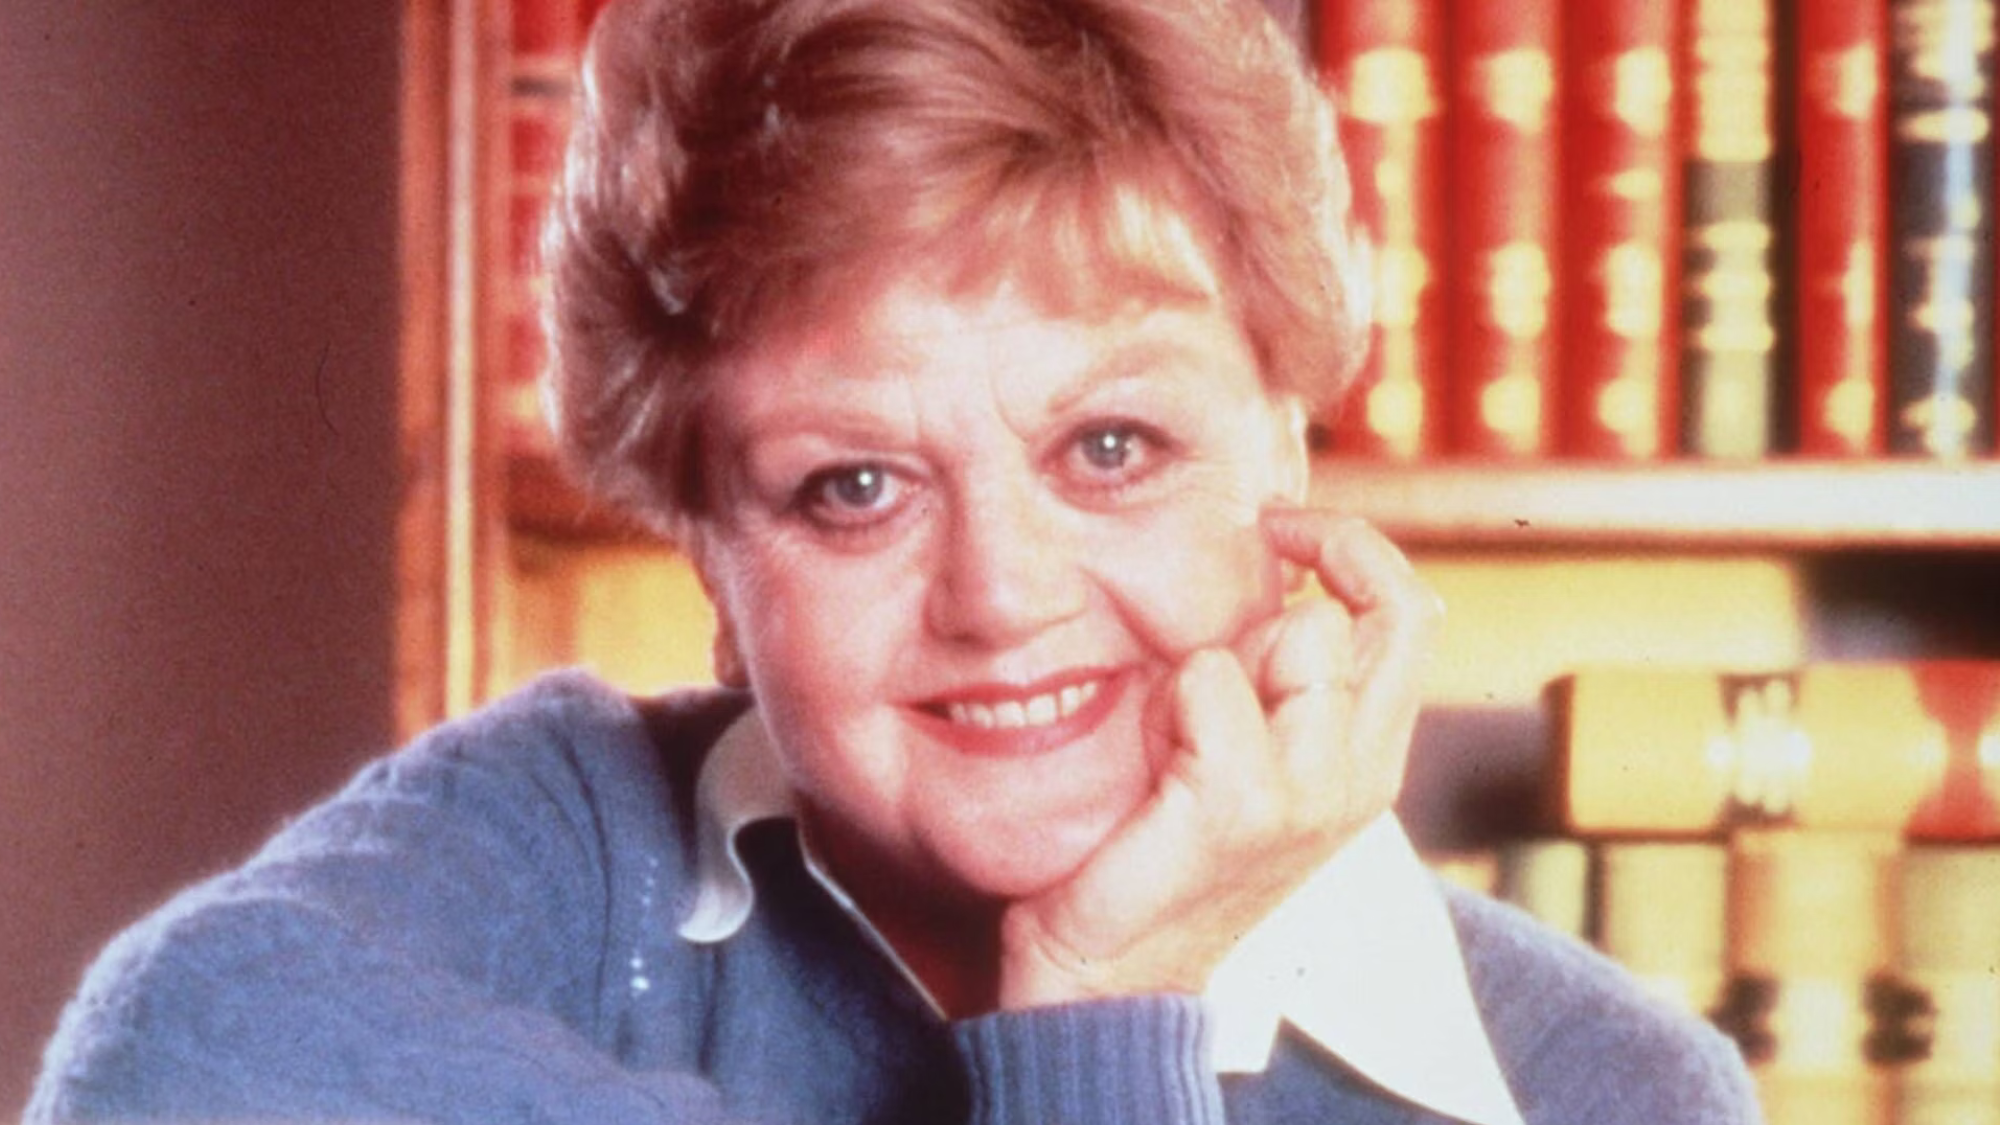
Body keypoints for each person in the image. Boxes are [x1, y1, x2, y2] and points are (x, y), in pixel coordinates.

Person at [28, 0, 1761, 1121]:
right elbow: (168, 1064)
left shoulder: (1604, 1093)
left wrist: (1102, 987)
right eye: (852, 488)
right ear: (711, 558)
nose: (1000, 595)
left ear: (1289, 456)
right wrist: (1091, 1051)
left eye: (1110, 447)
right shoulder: (571, 836)